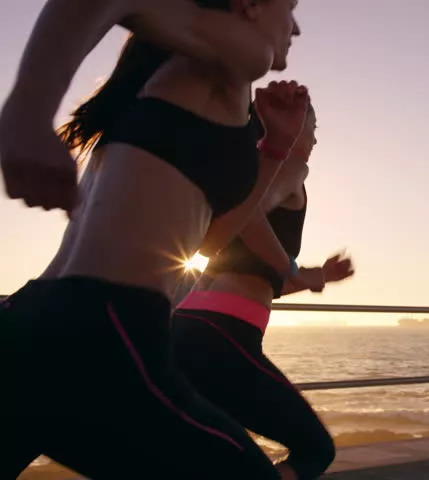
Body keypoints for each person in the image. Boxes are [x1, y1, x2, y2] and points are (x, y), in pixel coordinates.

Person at [0, 0, 312, 478]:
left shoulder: (165, 80)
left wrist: (272, 149)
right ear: (249, 6)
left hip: (27, 321)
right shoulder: (245, 52)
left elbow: (210, 239)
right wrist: (25, 112)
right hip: (105, 336)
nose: (295, 26)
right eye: (289, 6)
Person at [172, 102, 355, 480]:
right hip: (223, 336)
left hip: (186, 326)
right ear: (287, 125)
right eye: (313, 125)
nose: (317, 136)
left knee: (209, 456)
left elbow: (256, 279)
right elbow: (246, 216)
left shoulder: (248, 172)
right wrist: (296, 270)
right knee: (315, 449)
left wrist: (317, 275)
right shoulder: (291, 169)